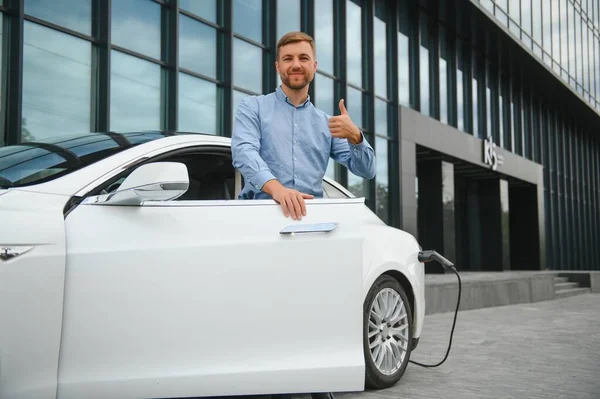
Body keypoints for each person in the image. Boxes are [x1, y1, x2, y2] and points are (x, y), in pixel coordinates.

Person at [232, 31, 376, 221]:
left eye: (303, 58)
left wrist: (356, 137)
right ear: (278, 66)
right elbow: (243, 152)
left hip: (310, 221)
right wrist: (278, 190)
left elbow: (368, 170)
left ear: (314, 66)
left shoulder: (327, 124)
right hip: (258, 217)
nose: (296, 64)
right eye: (288, 58)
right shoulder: (253, 107)